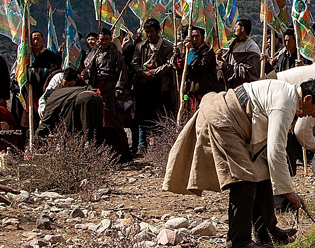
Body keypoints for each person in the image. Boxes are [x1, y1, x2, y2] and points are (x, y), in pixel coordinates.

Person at [163, 78, 315, 248]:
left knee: (262, 172)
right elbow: (275, 151)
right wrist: (289, 192)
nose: (314, 114)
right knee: (244, 178)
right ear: (307, 99)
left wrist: (284, 187)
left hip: (239, 124)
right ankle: (239, 241)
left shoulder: (289, 97)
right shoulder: (285, 104)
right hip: (225, 119)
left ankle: (267, 233)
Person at [129, 19, 177, 151]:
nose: (149, 35)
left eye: (151, 32)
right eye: (147, 32)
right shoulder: (140, 46)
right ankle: (142, 144)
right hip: (143, 86)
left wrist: (152, 73)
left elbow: (169, 65)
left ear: (158, 31)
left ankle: (160, 144)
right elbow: (134, 64)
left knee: (160, 115)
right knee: (142, 115)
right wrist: (142, 73)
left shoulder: (167, 47)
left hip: (160, 86)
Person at [38, 68, 106, 140]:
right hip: (55, 104)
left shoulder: (80, 82)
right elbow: (46, 98)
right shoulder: (56, 82)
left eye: (70, 85)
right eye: (65, 84)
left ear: (75, 81)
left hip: (72, 104)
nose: (67, 86)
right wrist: (43, 110)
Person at [82, 28, 129, 118]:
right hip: (94, 86)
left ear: (110, 39)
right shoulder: (93, 53)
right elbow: (87, 66)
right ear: (98, 40)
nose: (104, 42)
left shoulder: (115, 54)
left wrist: (119, 90)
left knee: (109, 113)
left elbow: (121, 72)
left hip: (109, 88)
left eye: (107, 39)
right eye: (102, 39)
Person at [180, 26, 223, 110]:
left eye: (197, 36)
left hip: (205, 93)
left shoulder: (207, 51)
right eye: (192, 37)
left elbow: (199, 66)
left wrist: (191, 49)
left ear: (203, 37)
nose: (194, 39)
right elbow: (182, 67)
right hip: (191, 93)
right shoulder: (189, 51)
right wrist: (183, 52)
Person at [25, 30, 62, 122]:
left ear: (43, 40)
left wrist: (37, 72)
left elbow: (54, 71)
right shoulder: (27, 56)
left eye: (38, 39)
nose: (35, 42)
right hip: (31, 90)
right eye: (33, 40)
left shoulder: (50, 55)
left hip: (45, 88)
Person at [222, 18, 263, 88]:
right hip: (230, 84)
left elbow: (251, 71)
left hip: (244, 86)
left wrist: (228, 68)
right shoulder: (232, 44)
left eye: (236, 27)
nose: (234, 29)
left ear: (242, 29)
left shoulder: (251, 47)